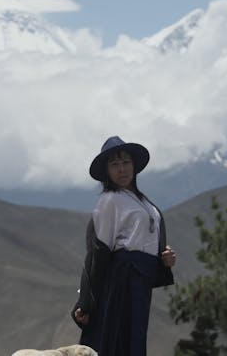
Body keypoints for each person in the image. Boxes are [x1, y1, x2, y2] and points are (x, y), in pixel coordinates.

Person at [71, 136, 176, 356]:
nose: (122, 169)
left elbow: (146, 241)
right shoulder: (110, 200)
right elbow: (99, 252)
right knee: (115, 337)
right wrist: (86, 301)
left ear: (134, 165)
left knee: (134, 337)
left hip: (139, 280)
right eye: (114, 165)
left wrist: (163, 260)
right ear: (107, 171)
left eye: (126, 162)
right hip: (120, 279)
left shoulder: (144, 202)